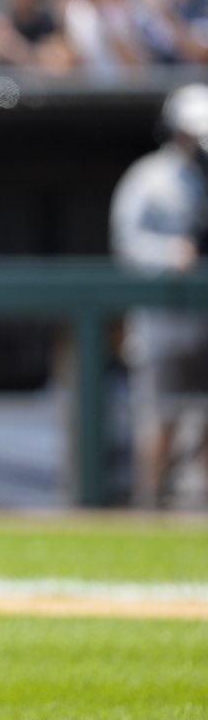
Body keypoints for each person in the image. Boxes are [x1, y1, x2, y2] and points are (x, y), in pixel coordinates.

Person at [110, 82, 208, 507]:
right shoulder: (148, 178)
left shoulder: (204, 181)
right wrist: (170, 254)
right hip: (161, 324)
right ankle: (148, 509)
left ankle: (195, 506)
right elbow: (125, 245)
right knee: (159, 420)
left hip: (201, 321)